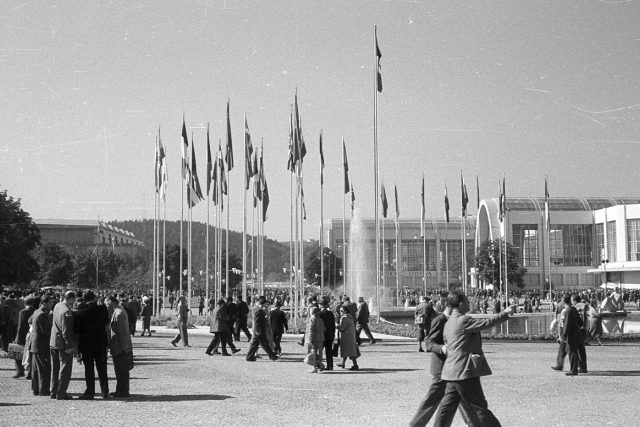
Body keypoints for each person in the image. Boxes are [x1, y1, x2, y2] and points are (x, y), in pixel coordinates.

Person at [435, 290, 515, 426]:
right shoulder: (464, 320)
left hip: (451, 372)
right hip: (464, 371)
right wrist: (506, 313)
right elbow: (487, 323)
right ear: (460, 304)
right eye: (466, 300)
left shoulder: (449, 322)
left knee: (446, 409)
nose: (469, 302)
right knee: (479, 408)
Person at [409, 305, 476, 427]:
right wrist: (442, 348)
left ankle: (473, 423)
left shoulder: (453, 320)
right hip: (441, 368)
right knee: (432, 400)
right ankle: (415, 425)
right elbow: (429, 342)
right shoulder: (440, 320)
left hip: (452, 368)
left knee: (461, 398)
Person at [73, 290, 110, 400]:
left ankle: (90, 392)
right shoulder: (102, 309)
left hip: (86, 343)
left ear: (84, 299)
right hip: (100, 342)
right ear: (94, 298)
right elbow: (107, 323)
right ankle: (105, 391)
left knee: (89, 369)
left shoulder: (80, 313)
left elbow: (76, 329)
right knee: (102, 368)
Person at [50, 291, 78, 400]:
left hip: (53, 341)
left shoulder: (57, 305)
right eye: (73, 299)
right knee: (65, 369)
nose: (74, 302)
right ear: (70, 299)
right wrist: (69, 346)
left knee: (55, 368)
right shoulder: (67, 312)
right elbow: (66, 331)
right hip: (62, 343)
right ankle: (61, 392)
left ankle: (53, 391)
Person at [106, 296, 133, 398]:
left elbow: (123, 333)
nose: (106, 305)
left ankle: (123, 391)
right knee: (119, 370)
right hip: (117, 347)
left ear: (112, 302)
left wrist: (124, 348)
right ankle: (119, 390)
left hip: (120, 347)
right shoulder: (116, 312)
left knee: (122, 370)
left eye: (107, 303)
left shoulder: (119, 313)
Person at [29, 295, 53, 397]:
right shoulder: (42, 315)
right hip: (41, 345)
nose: (52, 304)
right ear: (44, 303)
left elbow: (29, 321)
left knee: (35, 369)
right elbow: (46, 331)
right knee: (44, 368)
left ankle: (36, 389)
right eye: (50, 302)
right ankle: (43, 390)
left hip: (35, 344)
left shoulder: (36, 311)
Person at [246, 296, 278, 362]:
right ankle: (272, 356)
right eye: (266, 305)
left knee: (254, 345)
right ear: (262, 305)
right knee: (264, 344)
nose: (267, 306)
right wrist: (258, 331)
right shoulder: (259, 311)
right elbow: (257, 322)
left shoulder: (259, 310)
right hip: (259, 330)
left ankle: (249, 357)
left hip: (258, 330)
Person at [13, 295, 36, 379]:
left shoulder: (22, 311)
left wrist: (17, 338)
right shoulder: (35, 311)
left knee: (18, 354)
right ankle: (30, 372)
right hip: (32, 335)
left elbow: (21, 326)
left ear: (24, 302)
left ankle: (20, 371)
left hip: (23, 336)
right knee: (31, 355)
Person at [559, 295, 583, 376]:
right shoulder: (573, 309)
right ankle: (577, 368)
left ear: (563, 302)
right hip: (576, 332)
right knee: (574, 351)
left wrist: (563, 336)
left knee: (572, 352)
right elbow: (580, 322)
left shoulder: (568, 311)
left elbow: (567, 325)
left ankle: (573, 370)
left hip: (571, 334)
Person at [336, 305, 359, 371]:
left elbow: (341, 328)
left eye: (341, 311)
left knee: (348, 351)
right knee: (349, 351)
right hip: (351, 336)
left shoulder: (344, 318)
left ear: (345, 311)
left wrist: (336, 325)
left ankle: (355, 365)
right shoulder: (350, 317)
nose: (340, 312)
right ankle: (343, 363)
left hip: (346, 337)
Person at [305, 307, 325, 373]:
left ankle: (314, 367)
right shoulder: (321, 319)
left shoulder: (312, 319)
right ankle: (321, 364)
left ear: (312, 312)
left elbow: (311, 330)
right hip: (321, 338)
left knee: (313, 353)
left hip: (314, 338)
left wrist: (310, 339)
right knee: (320, 353)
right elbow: (324, 329)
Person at [319, 299, 336, 371]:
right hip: (330, 335)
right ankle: (330, 366)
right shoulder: (331, 313)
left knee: (319, 351)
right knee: (329, 351)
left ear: (322, 305)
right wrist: (333, 334)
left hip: (322, 335)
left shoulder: (320, 314)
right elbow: (333, 325)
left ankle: (318, 365)